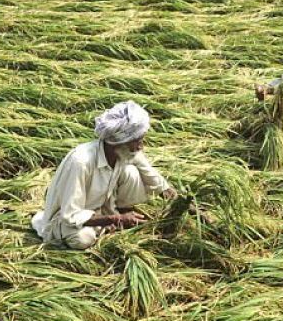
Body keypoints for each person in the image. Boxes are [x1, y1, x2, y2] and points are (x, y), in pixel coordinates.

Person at [31, 101, 177, 250]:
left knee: (132, 173)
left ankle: (120, 215)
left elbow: (157, 182)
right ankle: (114, 222)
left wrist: (186, 207)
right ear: (119, 142)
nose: (140, 147)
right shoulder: (81, 162)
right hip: (68, 219)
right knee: (82, 239)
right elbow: (71, 215)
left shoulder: (126, 151)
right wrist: (116, 219)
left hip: (102, 209)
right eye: (137, 142)